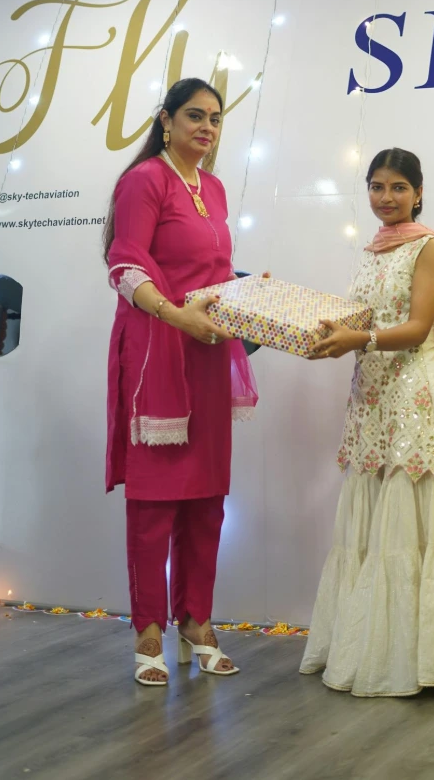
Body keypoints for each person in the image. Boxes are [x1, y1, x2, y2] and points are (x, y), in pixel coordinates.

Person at [300, 147, 434, 697]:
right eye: (377, 186)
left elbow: (417, 327)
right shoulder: (372, 249)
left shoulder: (427, 247)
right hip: (371, 389)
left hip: (411, 391)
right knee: (371, 506)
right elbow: (365, 318)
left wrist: (356, 340)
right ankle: (363, 647)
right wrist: (322, 331)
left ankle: (414, 659)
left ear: (419, 192)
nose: (387, 197)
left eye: (399, 187)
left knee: (406, 505)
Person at [103, 77, 259, 686]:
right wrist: (175, 315)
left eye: (215, 119)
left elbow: (215, 272)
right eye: (195, 116)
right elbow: (123, 264)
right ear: (166, 121)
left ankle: (197, 621)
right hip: (156, 348)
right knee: (155, 501)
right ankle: (149, 629)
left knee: (207, 499)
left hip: (208, 353)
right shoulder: (145, 180)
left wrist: (250, 300)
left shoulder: (212, 188)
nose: (207, 128)